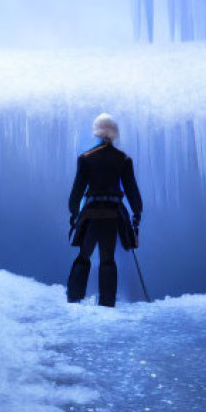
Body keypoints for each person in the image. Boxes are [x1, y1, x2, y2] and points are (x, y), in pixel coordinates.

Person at [66, 113, 143, 306]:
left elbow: (77, 190)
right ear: (114, 133)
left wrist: (74, 212)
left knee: (84, 256)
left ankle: (74, 296)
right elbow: (131, 189)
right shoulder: (123, 159)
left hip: (91, 213)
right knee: (107, 258)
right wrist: (137, 212)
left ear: (97, 132)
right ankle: (106, 301)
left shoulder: (86, 158)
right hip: (112, 213)